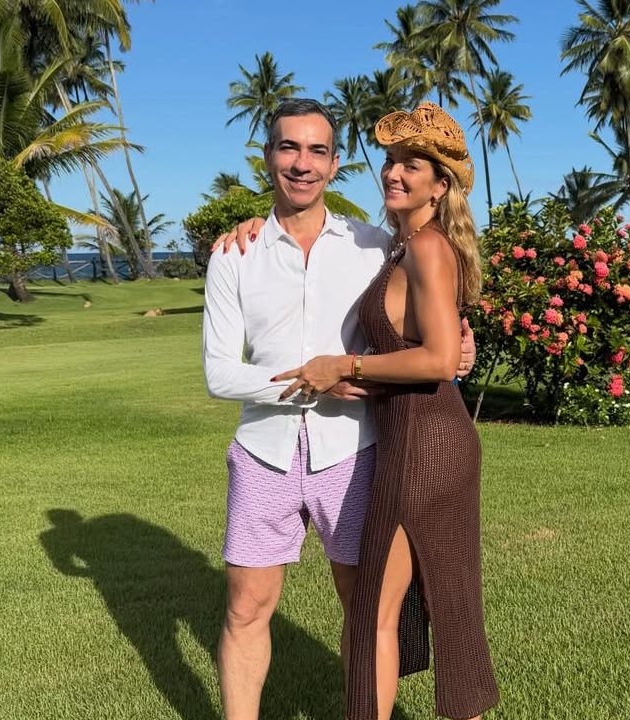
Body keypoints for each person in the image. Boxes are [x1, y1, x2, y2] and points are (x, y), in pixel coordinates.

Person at [202, 98, 474, 720]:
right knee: (246, 607)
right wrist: (314, 381)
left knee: (366, 608)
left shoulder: (374, 245)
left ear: (334, 163)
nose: (302, 163)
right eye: (288, 148)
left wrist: (463, 340)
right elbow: (220, 373)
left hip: (354, 452)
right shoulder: (234, 253)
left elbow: (425, 313)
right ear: (267, 156)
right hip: (263, 455)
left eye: (317, 151)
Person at [275, 103, 499, 720]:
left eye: (413, 165)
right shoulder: (404, 247)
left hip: (424, 447)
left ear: (440, 184)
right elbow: (429, 350)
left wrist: (344, 366)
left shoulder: (426, 248)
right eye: (391, 160)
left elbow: (437, 360)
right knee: (440, 600)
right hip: (417, 436)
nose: (395, 173)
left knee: (382, 607)